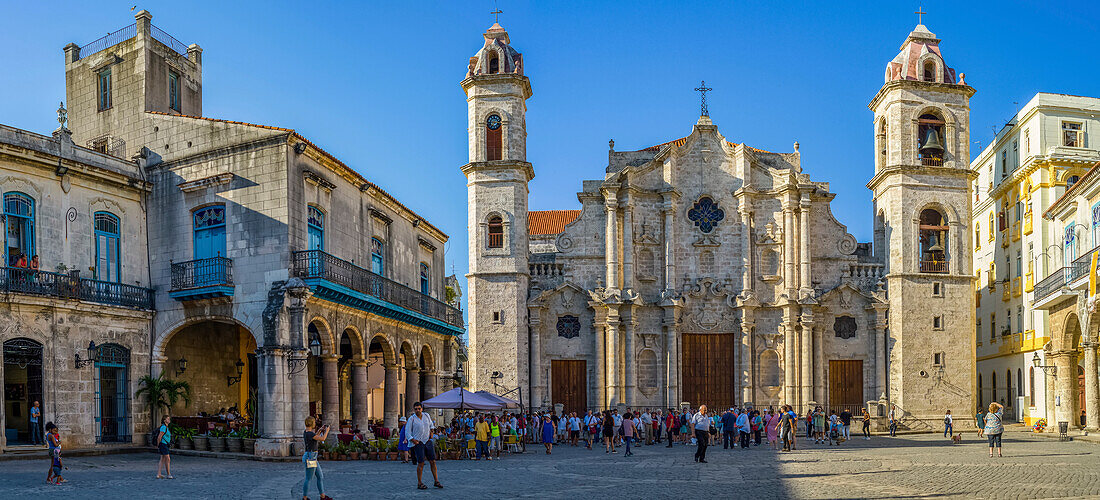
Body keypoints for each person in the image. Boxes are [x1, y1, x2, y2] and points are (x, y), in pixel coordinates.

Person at [407, 402, 443, 490]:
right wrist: (413, 440)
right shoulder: (412, 419)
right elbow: (407, 432)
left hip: (427, 441)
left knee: (433, 461)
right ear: (414, 409)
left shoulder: (426, 416)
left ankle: (436, 481)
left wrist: (432, 432)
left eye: (419, 408)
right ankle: (419, 483)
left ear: (422, 409)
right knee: (421, 463)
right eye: (416, 409)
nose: (417, 410)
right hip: (419, 443)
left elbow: (431, 425)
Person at [301, 416, 332, 500]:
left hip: (312, 457)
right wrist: (327, 431)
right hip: (311, 458)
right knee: (308, 478)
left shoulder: (306, 432)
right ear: (312, 423)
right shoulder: (310, 434)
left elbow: (314, 437)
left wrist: (320, 430)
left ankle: (322, 496)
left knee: (320, 476)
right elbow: (322, 438)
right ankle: (304, 498)